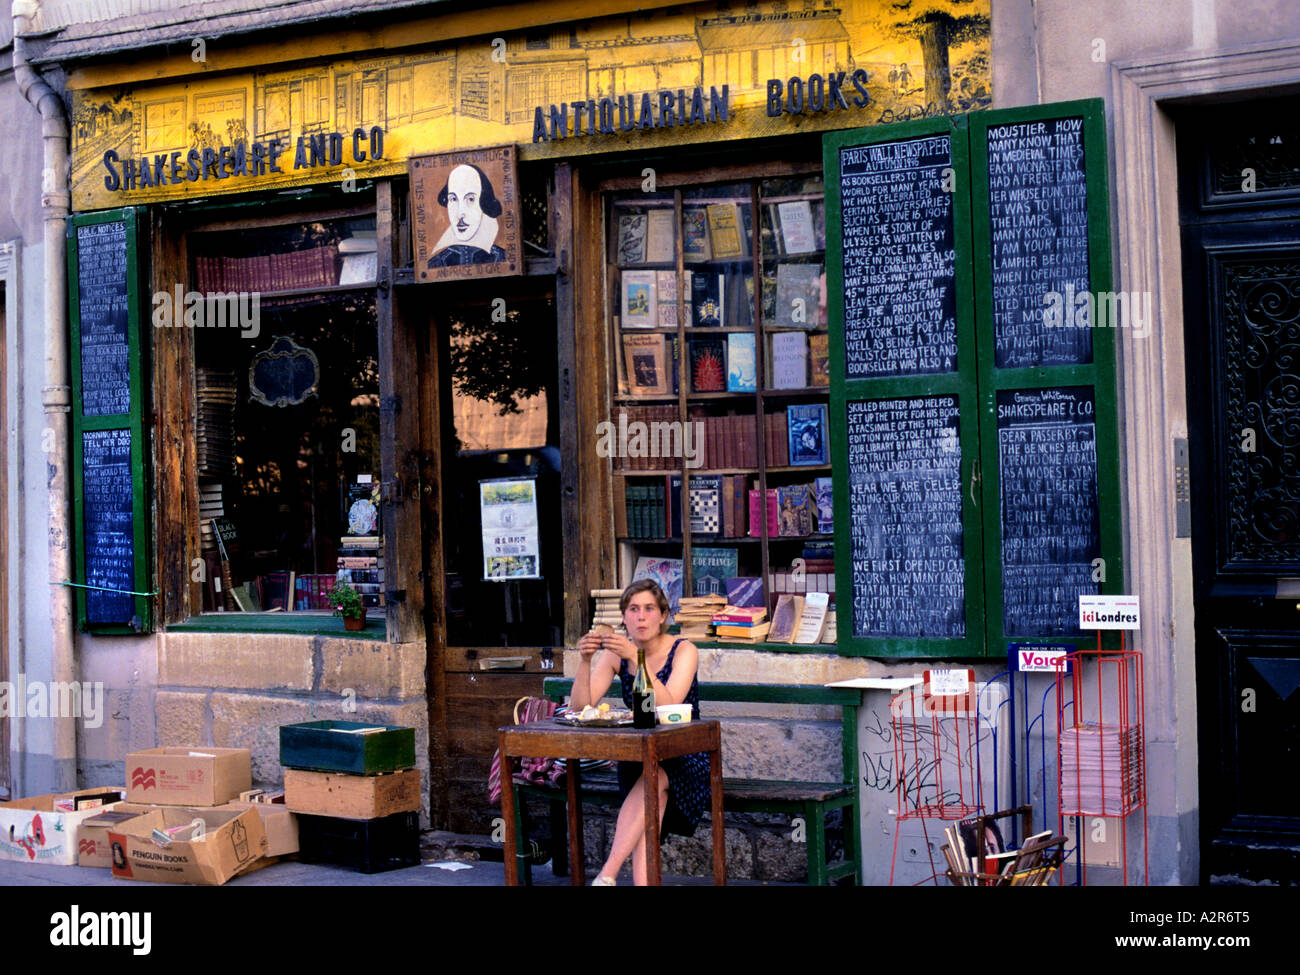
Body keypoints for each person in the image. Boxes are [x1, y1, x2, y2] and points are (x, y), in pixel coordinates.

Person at [571, 579, 707, 885]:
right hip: (638, 754)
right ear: (624, 617)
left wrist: (637, 658)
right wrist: (585, 660)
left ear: (662, 616)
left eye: (649, 609)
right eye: (633, 609)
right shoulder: (616, 654)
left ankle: (607, 873)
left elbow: (670, 702)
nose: (641, 617)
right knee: (650, 790)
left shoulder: (684, 650)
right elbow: (580, 707)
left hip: (685, 756)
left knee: (655, 779)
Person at [427, 163, 508, 267]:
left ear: (484, 202)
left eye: (470, 199)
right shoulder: (435, 264)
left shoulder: (503, 259)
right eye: (453, 199)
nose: (460, 214)